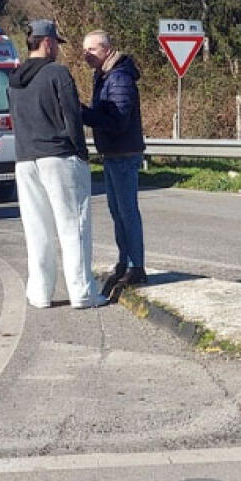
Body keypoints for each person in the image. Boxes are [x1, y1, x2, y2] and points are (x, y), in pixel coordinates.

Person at [7, 19, 104, 309]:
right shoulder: (57, 73)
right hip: (59, 157)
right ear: (47, 43)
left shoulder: (13, 80)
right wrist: (81, 152)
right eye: (56, 44)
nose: (58, 51)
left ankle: (39, 293)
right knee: (73, 225)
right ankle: (82, 292)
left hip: (25, 159)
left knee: (37, 229)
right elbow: (72, 115)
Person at [81, 30, 147, 301]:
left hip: (123, 153)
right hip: (113, 153)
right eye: (84, 50)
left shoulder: (118, 78)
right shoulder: (104, 76)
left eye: (91, 50)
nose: (86, 55)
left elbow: (118, 119)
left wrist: (83, 114)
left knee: (126, 211)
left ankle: (135, 265)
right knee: (117, 211)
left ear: (107, 49)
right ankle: (125, 261)